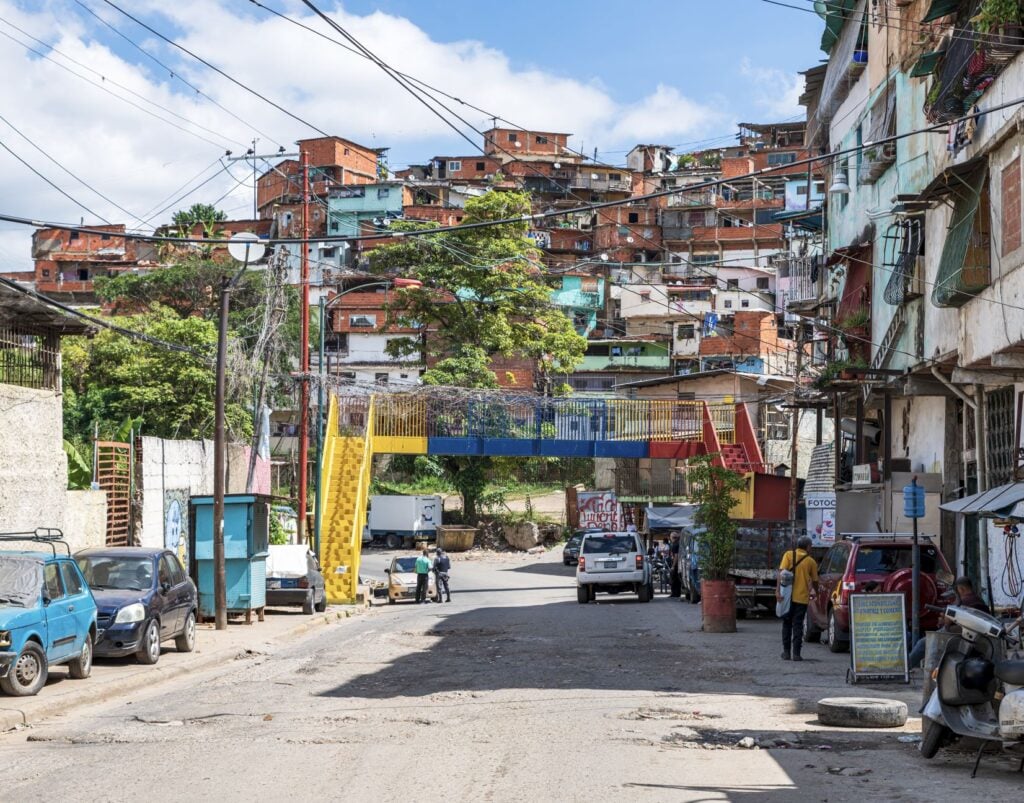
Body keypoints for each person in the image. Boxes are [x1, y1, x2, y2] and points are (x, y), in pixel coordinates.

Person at [908, 576, 990, 668]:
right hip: (974, 636)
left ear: (961, 589)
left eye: (957, 590)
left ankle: (906, 667)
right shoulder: (980, 601)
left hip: (957, 635)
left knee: (922, 643)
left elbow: (948, 623)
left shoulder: (964, 602)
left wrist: (944, 620)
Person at [776, 535, 819, 662]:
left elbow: (781, 574)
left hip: (786, 597)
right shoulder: (811, 561)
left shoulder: (788, 555)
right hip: (801, 598)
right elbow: (815, 581)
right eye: (811, 546)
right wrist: (815, 592)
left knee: (786, 624)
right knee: (798, 625)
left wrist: (777, 591)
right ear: (808, 547)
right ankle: (796, 654)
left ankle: (786, 652)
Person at [669, 532, 682, 598]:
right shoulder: (678, 544)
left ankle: (674, 593)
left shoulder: (674, 545)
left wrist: (673, 566)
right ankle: (677, 593)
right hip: (679, 564)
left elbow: (676, 556)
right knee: (677, 579)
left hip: (676, 564)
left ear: (671, 537)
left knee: (673, 579)